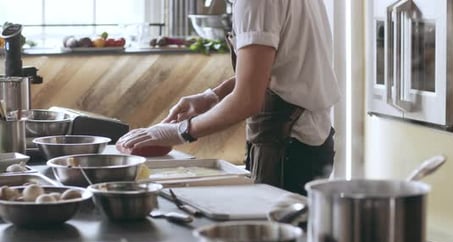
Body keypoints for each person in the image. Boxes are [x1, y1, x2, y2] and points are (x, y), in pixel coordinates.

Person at [117, 0, 341, 195]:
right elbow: (279, 66)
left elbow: (247, 101)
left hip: (288, 149)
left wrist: (178, 131)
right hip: (310, 143)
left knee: (278, 241)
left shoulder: (255, 3)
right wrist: (212, 96)